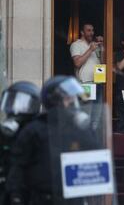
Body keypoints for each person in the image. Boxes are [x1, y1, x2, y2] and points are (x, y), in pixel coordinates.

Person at [6, 76, 94, 205]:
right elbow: (18, 166)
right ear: (55, 101)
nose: (73, 103)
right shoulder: (34, 129)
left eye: (75, 98)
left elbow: (96, 155)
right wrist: (16, 196)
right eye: (68, 98)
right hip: (43, 199)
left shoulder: (79, 129)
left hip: (74, 198)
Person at [0, 82, 41, 205]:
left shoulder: (38, 132)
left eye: (21, 103)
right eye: (11, 101)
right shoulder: (4, 132)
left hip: (30, 192)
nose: (15, 108)